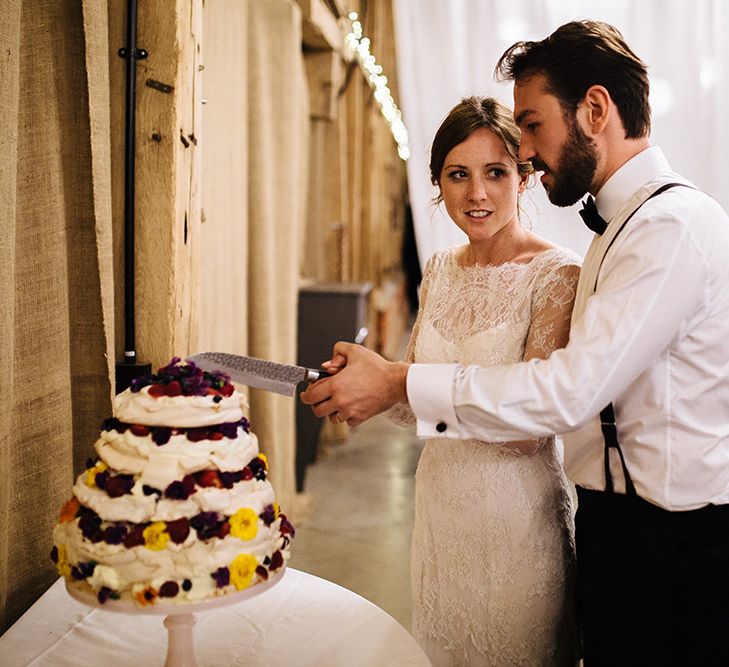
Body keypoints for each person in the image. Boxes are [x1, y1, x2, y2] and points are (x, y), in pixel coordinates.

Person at [301, 20, 729, 667]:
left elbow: (566, 391)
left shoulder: (669, 228)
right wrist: (371, 387)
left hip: (670, 538)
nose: (526, 150)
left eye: (530, 125)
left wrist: (396, 381)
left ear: (593, 109)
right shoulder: (620, 229)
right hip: (613, 527)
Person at [385, 96, 580, 665]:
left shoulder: (555, 274)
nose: (477, 194)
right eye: (458, 175)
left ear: (525, 179)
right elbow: (412, 401)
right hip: (440, 513)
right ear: (437, 183)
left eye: (496, 172)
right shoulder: (440, 269)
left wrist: (397, 383)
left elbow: (529, 428)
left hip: (515, 524)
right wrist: (365, 388)